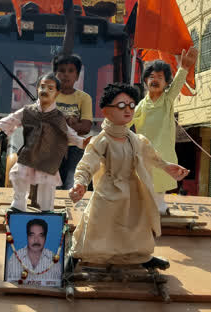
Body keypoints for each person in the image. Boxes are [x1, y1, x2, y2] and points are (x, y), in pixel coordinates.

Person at [69, 83, 188, 269]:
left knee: (137, 225)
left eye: (132, 105)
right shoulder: (101, 140)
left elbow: (152, 156)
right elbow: (87, 163)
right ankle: (75, 255)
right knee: (95, 221)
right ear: (107, 111)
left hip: (134, 190)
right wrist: (80, 183)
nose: (128, 110)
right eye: (121, 106)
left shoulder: (136, 139)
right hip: (108, 190)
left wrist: (167, 167)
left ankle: (141, 256)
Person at [0, 73, 85, 212]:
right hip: (28, 154)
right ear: (37, 89)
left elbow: (69, 134)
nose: (45, 91)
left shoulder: (58, 117)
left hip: (48, 157)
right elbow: (12, 119)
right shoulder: (28, 111)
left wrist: (82, 142)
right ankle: (18, 204)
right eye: (42, 87)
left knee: (47, 183)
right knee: (18, 175)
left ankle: (46, 209)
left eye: (50, 88)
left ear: (57, 93)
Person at [132, 47, 198, 214]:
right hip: (144, 152)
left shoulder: (167, 100)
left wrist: (183, 68)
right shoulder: (140, 106)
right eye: (151, 77)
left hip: (163, 153)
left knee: (160, 182)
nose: (155, 80)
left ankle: (160, 207)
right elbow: (125, 122)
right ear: (145, 80)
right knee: (143, 181)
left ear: (166, 83)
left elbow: (177, 85)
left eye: (160, 77)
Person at [53, 53, 93, 190]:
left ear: (77, 76)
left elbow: (86, 127)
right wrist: (72, 123)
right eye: (62, 71)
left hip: (76, 148)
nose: (66, 75)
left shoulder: (84, 98)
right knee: (52, 187)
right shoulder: (48, 96)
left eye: (71, 71)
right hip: (51, 148)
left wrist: (70, 124)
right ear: (55, 74)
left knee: (73, 185)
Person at [5, 217, 62, 285]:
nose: (36, 240)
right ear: (27, 236)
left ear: (45, 237)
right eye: (32, 235)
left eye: (41, 236)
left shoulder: (55, 261)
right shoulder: (14, 258)